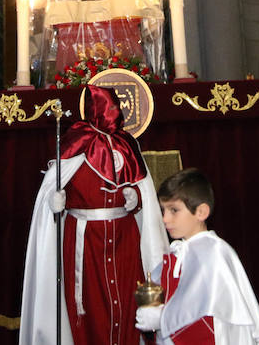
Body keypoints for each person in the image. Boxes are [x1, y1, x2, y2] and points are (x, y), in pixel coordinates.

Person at [19, 85, 167, 345]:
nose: (114, 112)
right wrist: (54, 202)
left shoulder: (127, 144)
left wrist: (136, 198)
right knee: (90, 310)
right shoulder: (76, 141)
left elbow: (143, 189)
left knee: (127, 302)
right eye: (109, 107)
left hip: (124, 240)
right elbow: (53, 188)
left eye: (116, 107)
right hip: (85, 243)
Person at [134, 167, 259, 344]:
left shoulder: (213, 252)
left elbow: (205, 314)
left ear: (201, 212)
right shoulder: (180, 251)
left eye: (174, 210)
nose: (165, 219)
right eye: (163, 210)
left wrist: (162, 318)